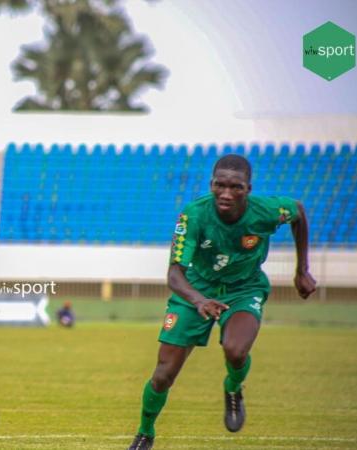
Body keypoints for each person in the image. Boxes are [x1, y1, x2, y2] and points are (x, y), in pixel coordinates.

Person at [128, 154, 316, 450]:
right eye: (220, 185)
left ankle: (232, 388)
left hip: (244, 288)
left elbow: (299, 212)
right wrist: (199, 300)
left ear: (248, 189)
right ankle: (145, 432)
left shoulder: (266, 211)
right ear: (211, 184)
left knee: (235, 350)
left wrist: (302, 270)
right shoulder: (194, 215)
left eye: (236, 187)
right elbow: (175, 274)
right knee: (163, 374)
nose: (227, 193)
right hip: (196, 289)